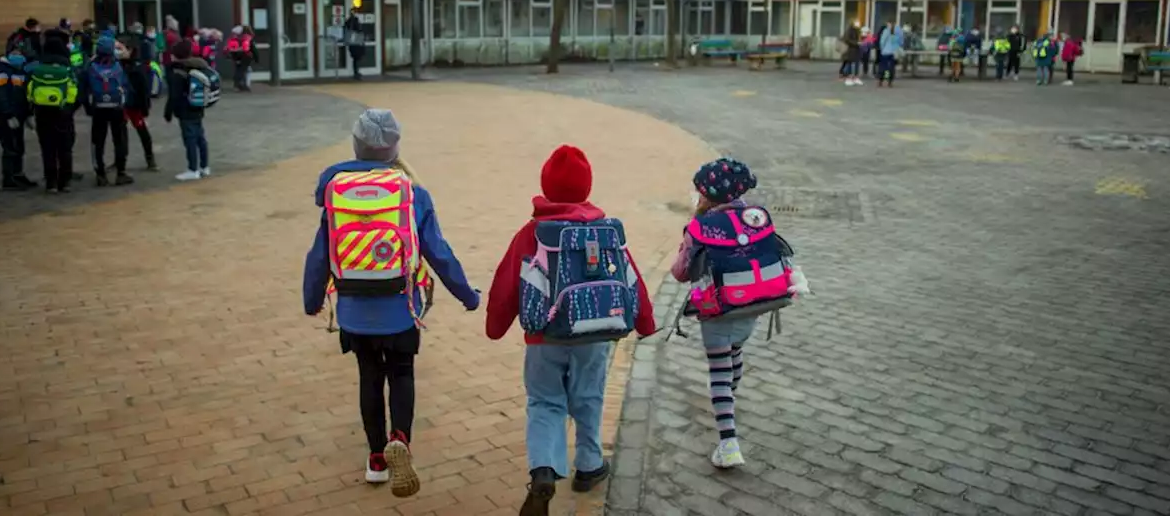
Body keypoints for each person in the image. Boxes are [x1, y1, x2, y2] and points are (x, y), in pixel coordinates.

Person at [302, 109, 481, 497]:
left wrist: (311, 300)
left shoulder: (336, 192)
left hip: (354, 309)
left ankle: (376, 460)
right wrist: (468, 296)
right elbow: (439, 253)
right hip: (401, 309)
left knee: (369, 377)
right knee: (402, 374)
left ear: (355, 144)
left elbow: (319, 256)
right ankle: (401, 438)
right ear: (394, 148)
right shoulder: (412, 193)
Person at [486, 145, 657, 516]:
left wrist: (495, 326)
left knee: (545, 402)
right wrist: (646, 322)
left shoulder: (533, 233)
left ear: (546, 186)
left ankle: (543, 469)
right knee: (588, 396)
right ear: (587, 187)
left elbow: (506, 284)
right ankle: (590, 464)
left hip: (543, 336)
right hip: (596, 331)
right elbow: (631, 278)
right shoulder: (606, 232)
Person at [671, 158, 810, 468]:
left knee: (718, 373)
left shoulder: (700, 227)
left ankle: (728, 443)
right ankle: (728, 402)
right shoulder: (757, 216)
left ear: (706, 194)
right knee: (734, 354)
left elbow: (681, 273)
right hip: (754, 305)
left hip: (719, 310)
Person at [27, 36, 80, 193]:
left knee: (47, 148)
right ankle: (65, 181)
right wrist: (70, 109)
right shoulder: (67, 66)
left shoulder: (37, 66)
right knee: (65, 148)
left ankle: (51, 182)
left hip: (42, 112)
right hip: (63, 113)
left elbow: (29, 90)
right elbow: (76, 89)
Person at [83, 35, 132, 187]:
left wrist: (88, 107)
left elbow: (83, 88)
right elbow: (126, 85)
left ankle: (101, 174)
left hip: (98, 108)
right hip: (117, 107)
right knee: (120, 139)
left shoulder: (90, 65)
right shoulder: (118, 65)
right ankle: (121, 173)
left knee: (97, 141)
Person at [0, 45, 36, 191]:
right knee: (9, 147)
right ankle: (8, 179)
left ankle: (18, 174)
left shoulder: (20, 70)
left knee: (19, 146)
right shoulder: (2, 71)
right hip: (5, 116)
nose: (18, 56)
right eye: (15, 53)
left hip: (19, 114)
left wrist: (28, 114)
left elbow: (24, 94)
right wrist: (7, 114)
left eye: (20, 53)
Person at [164, 40, 211, 181]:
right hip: (198, 107)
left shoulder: (178, 72)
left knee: (189, 139)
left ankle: (193, 169)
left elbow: (174, 95)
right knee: (200, 138)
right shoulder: (197, 66)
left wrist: (168, 112)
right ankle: (205, 167)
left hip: (185, 111)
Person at [117, 37, 158, 172]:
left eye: (120, 49)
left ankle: (150, 158)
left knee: (142, 131)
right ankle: (120, 160)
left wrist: (144, 108)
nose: (117, 51)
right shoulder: (116, 65)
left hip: (134, 106)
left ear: (130, 50)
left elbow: (144, 90)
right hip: (121, 105)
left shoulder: (138, 68)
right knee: (120, 134)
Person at [226, 25, 257, 91]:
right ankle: (243, 84)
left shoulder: (239, 39)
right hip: (245, 56)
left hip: (240, 56)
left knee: (243, 70)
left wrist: (232, 50)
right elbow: (246, 48)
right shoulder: (247, 38)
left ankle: (241, 84)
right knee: (244, 70)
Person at [877, 21, 904, 88]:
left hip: (885, 52)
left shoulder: (886, 31)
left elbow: (882, 41)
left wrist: (882, 49)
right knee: (891, 67)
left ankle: (881, 81)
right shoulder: (899, 31)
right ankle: (889, 81)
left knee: (884, 67)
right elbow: (901, 42)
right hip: (893, 52)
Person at [344, 13, 367, 80]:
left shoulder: (348, 24)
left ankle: (356, 72)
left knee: (355, 59)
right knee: (357, 59)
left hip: (353, 44)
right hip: (356, 44)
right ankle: (356, 73)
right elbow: (359, 31)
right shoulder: (354, 24)